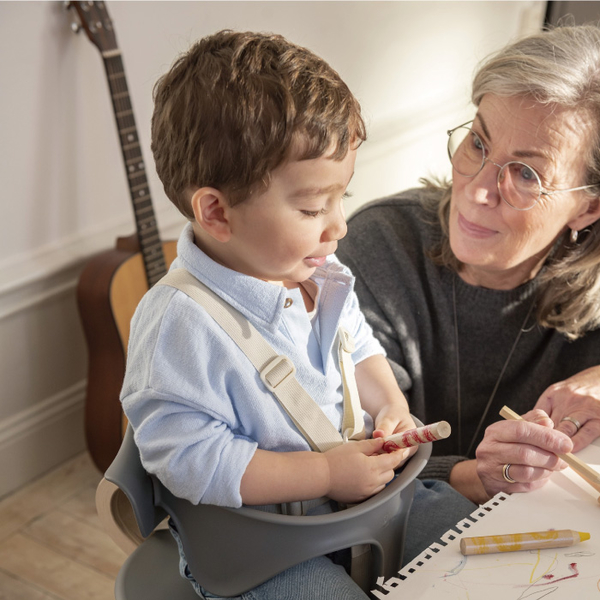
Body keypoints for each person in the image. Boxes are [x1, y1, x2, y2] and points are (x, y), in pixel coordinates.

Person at [120, 30, 474, 600]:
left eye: (343, 199)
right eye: (312, 207)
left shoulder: (323, 274)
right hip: (262, 546)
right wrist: (327, 475)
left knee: (471, 547)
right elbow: (187, 460)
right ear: (216, 211)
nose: (339, 227)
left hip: (358, 504)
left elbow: (357, 348)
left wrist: (392, 409)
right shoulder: (177, 323)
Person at [337, 24, 600, 509]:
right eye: (478, 143)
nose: (477, 191)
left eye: (526, 173)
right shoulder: (380, 248)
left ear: (587, 209)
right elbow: (343, 463)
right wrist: (470, 477)